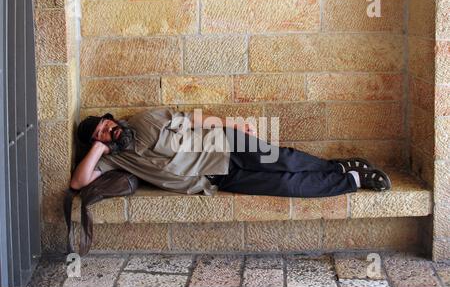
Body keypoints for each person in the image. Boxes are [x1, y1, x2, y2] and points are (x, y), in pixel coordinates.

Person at [70, 108, 391, 197]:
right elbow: (78, 183)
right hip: (215, 179)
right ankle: (351, 180)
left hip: (225, 144)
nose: (107, 132)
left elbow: (191, 117)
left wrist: (231, 125)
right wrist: (98, 149)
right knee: (286, 185)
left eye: (104, 126)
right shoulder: (114, 158)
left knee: (285, 160)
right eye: (100, 135)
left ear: (111, 119)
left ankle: (342, 168)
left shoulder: (144, 120)